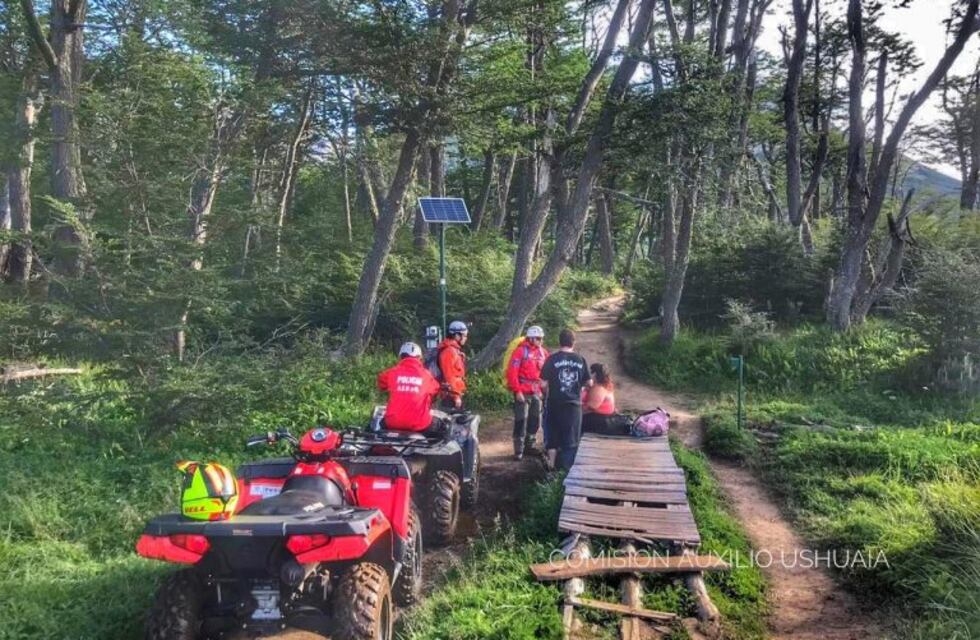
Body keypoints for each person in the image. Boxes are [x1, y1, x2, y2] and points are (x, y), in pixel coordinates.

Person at [540, 329, 591, 471]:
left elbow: (542, 383)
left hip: (554, 403)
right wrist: (580, 388)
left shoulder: (551, 359)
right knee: (571, 440)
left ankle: (551, 468)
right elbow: (589, 383)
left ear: (559, 341)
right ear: (573, 342)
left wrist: (547, 392)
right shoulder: (580, 359)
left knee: (553, 437)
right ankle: (567, 473)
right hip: (573, 406)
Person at [506, 325, 549, 460]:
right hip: (522, 391)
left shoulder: (543, 353)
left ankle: (529, 446)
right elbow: (512, 372)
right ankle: (518, 449)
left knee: (535, 419)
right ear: (530, 338)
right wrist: (517, 391)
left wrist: (545, 390)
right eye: (538, 338)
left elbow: (548, 372)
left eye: (541, 338)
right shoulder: (520, 352)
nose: (540, 341)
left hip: (536, 391)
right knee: (521, 420)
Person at [377, 342, 441, 431]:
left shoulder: (392, 372)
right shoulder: (426, 375)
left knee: (376, 425)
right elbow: (436, 389)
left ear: (401, 357)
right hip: (419, 423)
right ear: (419, 358)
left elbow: (381, 383)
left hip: (393, 422)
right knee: (442, 427)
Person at [438, 320, 469, 409]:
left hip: (455, 393)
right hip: (450, 396)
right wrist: (456, 397)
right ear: (456, 335)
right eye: (464, 335)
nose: (466, 338)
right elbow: (449, 376)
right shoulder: (449, 352)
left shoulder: (455, 350)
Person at [582, 363, 616, 434]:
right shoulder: (605, 385)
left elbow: (592, 407)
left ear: (594, 374)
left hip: (599, 418)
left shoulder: (598, 388)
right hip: (604, 417)